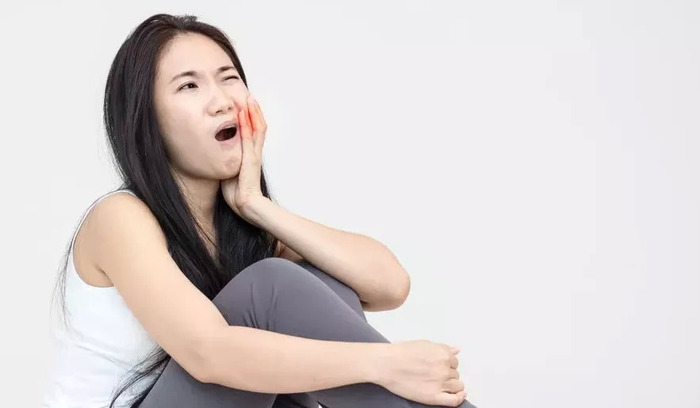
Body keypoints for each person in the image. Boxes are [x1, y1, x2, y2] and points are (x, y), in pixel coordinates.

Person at [43, 13, 477, 408]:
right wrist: (385, 364)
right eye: (189, 86)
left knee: (321, 278)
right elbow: (208, 353)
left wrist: (257, 206)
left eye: (229, 78)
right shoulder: (119, 217)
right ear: (146, 119)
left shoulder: (238, 227)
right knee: (269, 287)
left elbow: (390, 286)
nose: (221, 101)